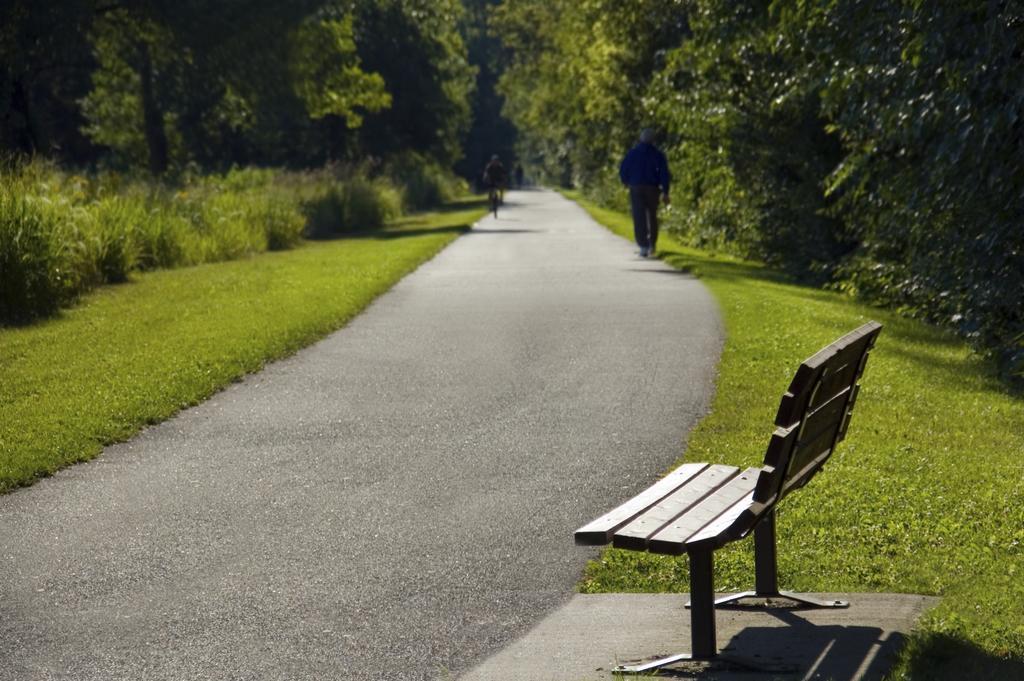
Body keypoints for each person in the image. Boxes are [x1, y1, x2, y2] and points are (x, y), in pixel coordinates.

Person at [619, 128, 671, 258]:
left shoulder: (633, 153)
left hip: (636, 187)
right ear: (653, 140)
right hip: (652, 188)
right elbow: (664, 174)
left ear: (641, 139)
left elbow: (624, 169)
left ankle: (643, 245)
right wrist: (665, 191)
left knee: (639, 216)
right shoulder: (658, 155)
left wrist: (625, 181)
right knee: (652, 216)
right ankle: (652, 244)